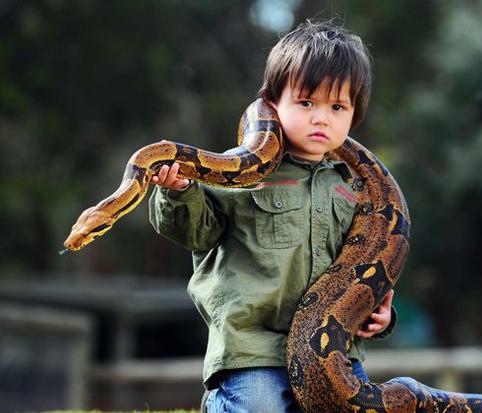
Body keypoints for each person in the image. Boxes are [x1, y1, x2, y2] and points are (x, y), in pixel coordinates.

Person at [149, 20, 397, 413]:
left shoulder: (355, 189)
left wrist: (379, 311)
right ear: (271, 102)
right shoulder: (236, 169)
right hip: (253, 353)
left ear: (354, 115)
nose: (321, 118)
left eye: (337, 107)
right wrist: (179, 191)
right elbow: (195, 234)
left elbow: (365, 267)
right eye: (306, 103)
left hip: (335, 356)